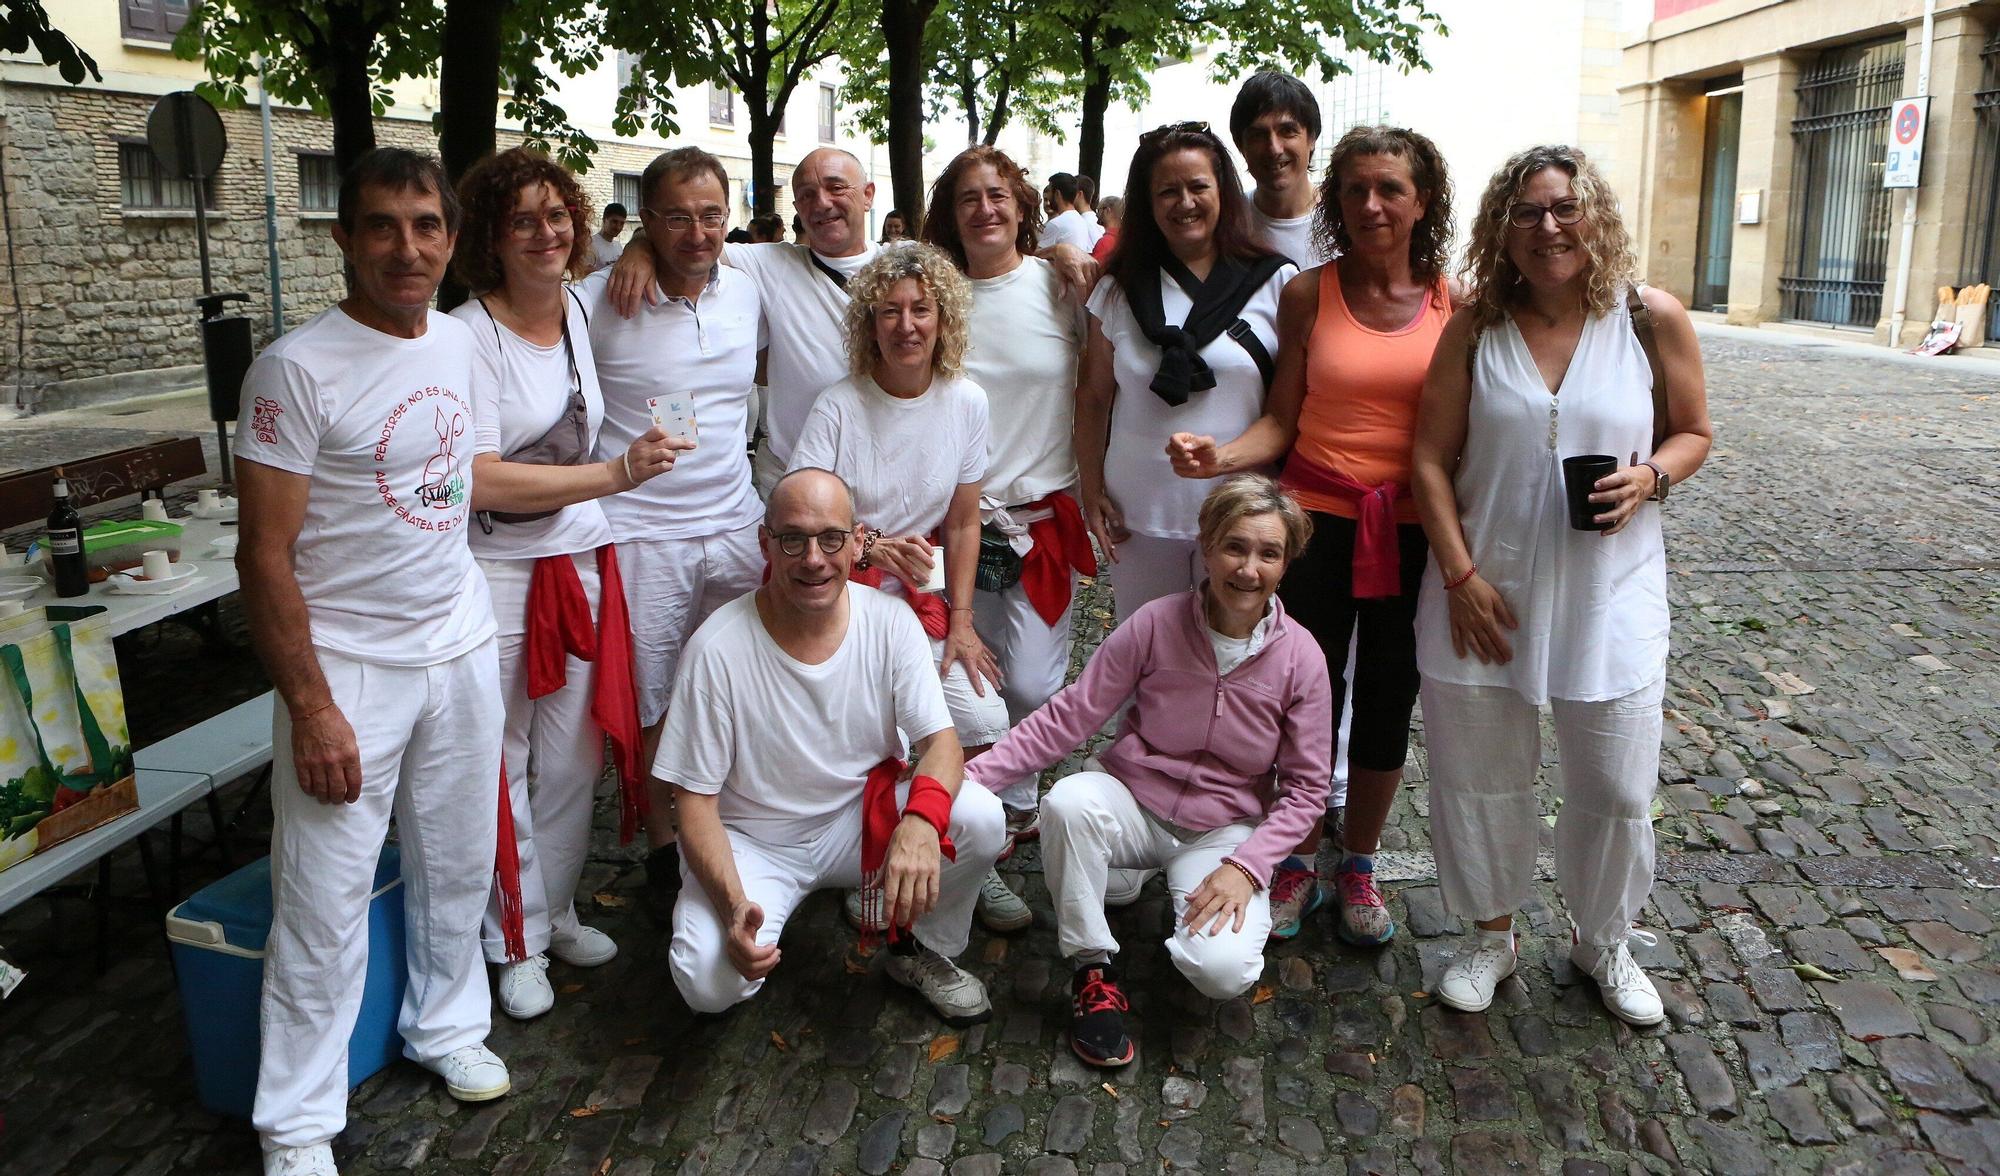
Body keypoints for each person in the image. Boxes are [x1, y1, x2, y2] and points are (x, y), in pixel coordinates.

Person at [235, 148, 508, 1176]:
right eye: (383, 225)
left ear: (450, 238)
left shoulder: (458, 340)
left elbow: (458, 480)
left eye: (426, 225)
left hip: (459, 642)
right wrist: (311, 708)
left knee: (458, 860)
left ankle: (446, 1027)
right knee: (323, 896)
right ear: (344, 237)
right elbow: (262, 556)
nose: (407, 247)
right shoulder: (295, 370)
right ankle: (297, 1123)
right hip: (348, 665)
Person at [1410, 145, 1711, 1025]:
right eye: (1528, 212)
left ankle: (1602, 939)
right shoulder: (1475, 325)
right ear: (1502, 229)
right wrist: (1459, 575)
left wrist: (1651, 476)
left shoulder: (1648, 318)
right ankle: (1490, 935)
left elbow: (1694, 432)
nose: (1549, 227)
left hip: (1610, 593)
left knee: (1617, 786)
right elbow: (1428, 458)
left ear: (1595, 215)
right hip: (1484, 593)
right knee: (1478, 775)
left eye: (1565, 207)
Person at [1167, 125, 1454, 944]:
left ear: (1422, 202)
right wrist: (1221, 457)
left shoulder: (1453, 302)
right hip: (1314, 525)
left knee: (1389, 694)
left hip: (1408, 528)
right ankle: (1292, 854)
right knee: (1301, 691)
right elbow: (1282, 421)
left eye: (1390, 188)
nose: (1371, 204)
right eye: (1355, 189)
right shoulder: (1308, 294)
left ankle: (1358, 860)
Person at [965, 476, 1331, 1065]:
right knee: (1068, 803)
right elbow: (1071, 715)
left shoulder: (1302, 658)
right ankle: (1091, 968)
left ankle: (1164, 887)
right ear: (1206, 547)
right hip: (1135, 804)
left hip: (1222, 833)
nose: (1248, 569)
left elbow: (1308, 790)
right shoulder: (1156, 623)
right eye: (1235, 547)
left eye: (1269, 554)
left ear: (1286, 564)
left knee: (1222, 973)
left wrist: (1248, 866)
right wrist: (967, 780)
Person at [446, 148, 687, 1020]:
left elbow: (668, 259)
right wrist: (615, 477)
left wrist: (642, 246)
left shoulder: (580, 309)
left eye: (556, 216)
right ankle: (512, 943)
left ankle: (552, 912)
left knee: (576, 758)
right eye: (522, 221)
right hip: (500, 573)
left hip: (580, 557)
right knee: (504, 758)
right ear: (490, 237)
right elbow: (478, 479)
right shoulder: (468, 335)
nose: (544, 233)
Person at [661, 468, 1006, 1025]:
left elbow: (942, 743)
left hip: (857, 823)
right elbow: (694, 802)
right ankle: (758, 916)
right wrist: (733, 903)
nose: (813, 559)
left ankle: (917, 945)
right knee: (708, 983)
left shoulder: (890, 622)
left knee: (982, 818)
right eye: (792, 540)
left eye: (830, 539)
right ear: (765, 543)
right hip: (755, 841)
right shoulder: (716, 649)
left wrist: (921, 822)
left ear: (856, 542)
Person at [917, 145, 1101, 931]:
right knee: (961, 680)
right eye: (969, 198)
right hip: (953, 520)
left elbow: (1102, 381)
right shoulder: (935, 294)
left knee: (1028, 681)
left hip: (1039, 518)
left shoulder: (1060, 286)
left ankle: (1017, 798)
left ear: (1024, 206)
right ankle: (972, 822)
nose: (985, 209)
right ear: (951, 214)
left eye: (998, 194)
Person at [582, 147, 767, 918]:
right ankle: (664, 848)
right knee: (653, 699)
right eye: (677, 218)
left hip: (735, 524)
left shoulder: (748, 286)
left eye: (711, 215)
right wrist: (628, 253)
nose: (698, 233)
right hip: (642, 535)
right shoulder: (596, 301)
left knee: (743, 682)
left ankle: (739, 827)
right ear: (648, 221)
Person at [787, 244, 1011, 761]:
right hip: (838, 593)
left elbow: (963, 523)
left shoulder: (967, 401)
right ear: (871, 325)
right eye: (890, 311)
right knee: (882, 739)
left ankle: (948, 807)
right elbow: (800, 523)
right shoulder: (838, 405)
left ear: (943, 320)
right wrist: (869, 549)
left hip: (920, 597)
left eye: (920, 309)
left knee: (986, 723)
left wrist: (962, 621)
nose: (906, 326)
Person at [1076, 122, 1296, 622]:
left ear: (1223, 192)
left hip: (1243, 517)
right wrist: (1090, 490)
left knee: (1233, 651)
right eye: (1167, 191)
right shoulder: (1116, 289)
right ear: (1148, 203)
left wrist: (1225, 460)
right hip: (1138, 513)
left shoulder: (1277, 282)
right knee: (1147, 648)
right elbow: (1092, 396)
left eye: (1198, 186)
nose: (1185, 203)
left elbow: (1287, 412)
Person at [1230, 72, 1328, 267]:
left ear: (1312, 138)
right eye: (1258, 135)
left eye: (1287, 131)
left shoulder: (1345, 219)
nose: (1274, 149)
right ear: (1241, 146)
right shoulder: (1229, 223)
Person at [1041, 172, 1100, 252]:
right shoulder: (1081, 221)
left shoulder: (1056, 224)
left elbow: (1037, 255)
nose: (1048, 200)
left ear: (1057, 194)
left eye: (1050, 192)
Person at [585, 202, 627, 273]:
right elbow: (584, 272)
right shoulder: (590, 244)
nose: (618, 227)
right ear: (604, 219)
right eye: (614, 222)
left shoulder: (618, 246)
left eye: (622, 223)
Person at [1090, 196, 1122, 264]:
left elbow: (1094, 269)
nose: (1096, 214)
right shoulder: (1123, 238)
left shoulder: (1106, 242)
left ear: (1107, 211)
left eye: (1098, 210)